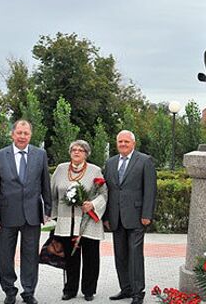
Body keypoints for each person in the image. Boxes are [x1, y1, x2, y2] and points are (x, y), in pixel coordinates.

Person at [0, 119, 52, 304]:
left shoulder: (40, 155)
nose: (23, 136)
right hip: (6, 215)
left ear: (31, 135)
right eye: (19, 133)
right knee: (5, 255)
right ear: (12, 134)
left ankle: (28, 291)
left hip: (32, 215)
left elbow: (45, 184)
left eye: (26, 133)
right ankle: (9, 291)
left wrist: (47, 209)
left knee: (31, 255)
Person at [104, 130, 157, 304]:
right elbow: (107, 192)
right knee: (120, 255)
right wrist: (106, 216)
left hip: (136, 217)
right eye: (120, 142)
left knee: (135, 255)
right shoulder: (110, 163)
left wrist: (147, 214)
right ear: (116, 143)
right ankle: (125, 289)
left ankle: (137, 292)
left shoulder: (144, 161)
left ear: (133, 143)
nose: (123, 144)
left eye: (126, 141)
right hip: (115, 217)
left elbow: (150, 190)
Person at [50, 140, 107, 301]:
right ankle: (70, 289)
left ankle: (88, 290)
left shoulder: (95, 171)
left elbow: (103, 194)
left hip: (88, 221)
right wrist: (54, 216)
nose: (76, 152)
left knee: (91, 257)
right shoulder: (61, 170)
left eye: (81, 150)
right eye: (74, 150)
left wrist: (92, 204)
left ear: (86, 154)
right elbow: (52, 194)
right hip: (66, 221)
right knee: (70, 257)